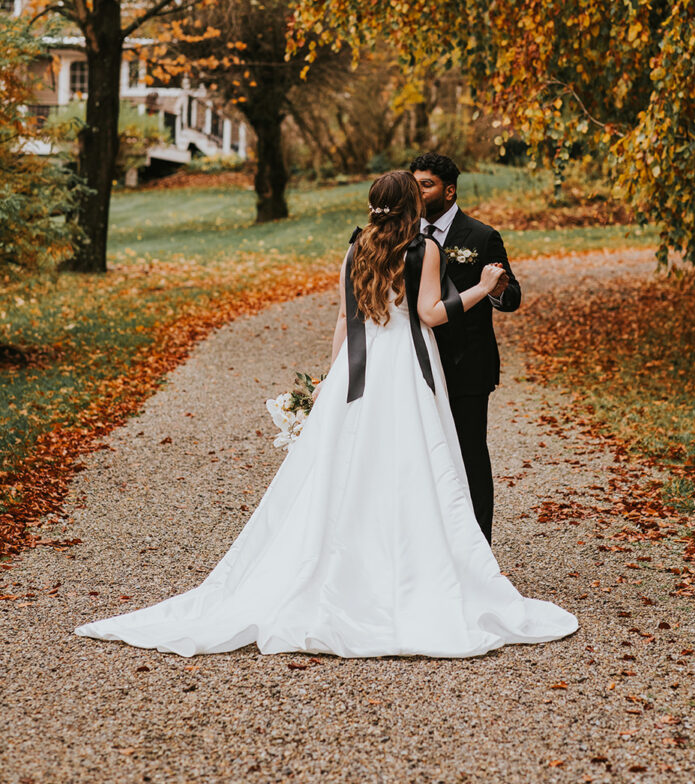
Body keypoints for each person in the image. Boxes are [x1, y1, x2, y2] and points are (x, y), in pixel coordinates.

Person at [75, 171, 577, 658]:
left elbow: (344, 318)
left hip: (359, 369)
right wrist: (481, 284)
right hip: (404, 364)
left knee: (347, 466)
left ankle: (345, 565)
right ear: (410, 205)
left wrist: (329, 381)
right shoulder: (423, 250)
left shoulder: (355, 249)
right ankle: (409, 568)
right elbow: (430, 314)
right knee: (412, 463)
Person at [410, 152, 519, 543]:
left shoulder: (481, 236)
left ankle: (479, 550)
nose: (419, 191)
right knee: (421, 457)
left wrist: (497, 290)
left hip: (466, 366)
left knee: (469, 457)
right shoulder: (405, 234)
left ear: (449, 190)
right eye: (415, 183)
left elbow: (512, 297)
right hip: (417, 363)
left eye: (427, 185)